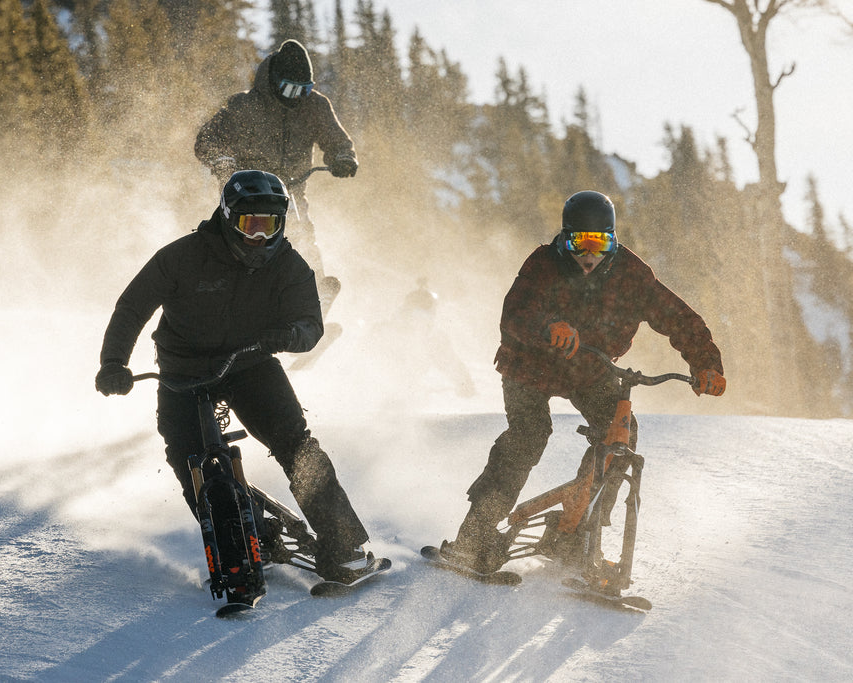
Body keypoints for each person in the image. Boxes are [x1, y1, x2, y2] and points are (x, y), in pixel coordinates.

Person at [94, 170, 371, 581]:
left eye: (270, 225)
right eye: (249, 224)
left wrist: (289, 335)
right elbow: (132, 307)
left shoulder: (289, 266)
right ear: (227, 217)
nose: (259, 237)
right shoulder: (182, 257)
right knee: (187, 454)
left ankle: (345, 543)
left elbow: (310, 324)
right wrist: (113, 363)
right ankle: (240, 536)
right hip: (182, 371)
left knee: (295, 444)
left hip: (250, 363)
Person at [436, 190, 727, 573]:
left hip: (588, 369)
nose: (589, 256)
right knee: (529, 435)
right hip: (531, 365)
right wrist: (547, 326)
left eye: (600, 243)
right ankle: (473, 537)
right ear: (564, 238)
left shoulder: (631, 274)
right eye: (578, 243)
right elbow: (515, 315)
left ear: (613, 241)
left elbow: (678, 318)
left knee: (619, 435)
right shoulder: (543, 263)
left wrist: (705, 363)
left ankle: (578, 531)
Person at [194, 39, 357, 298]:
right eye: (289, 89)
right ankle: (218, 292)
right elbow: (207, 139)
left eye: (303, 90)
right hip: (245, 192)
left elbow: (335, 138)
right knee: (238, 240)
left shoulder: (315, 106)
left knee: (302, 233)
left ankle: (312, 294)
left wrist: (343, 156)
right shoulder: (244, 105)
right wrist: (222, 160)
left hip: (290, 189)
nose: (297, 98)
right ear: (273, 81)